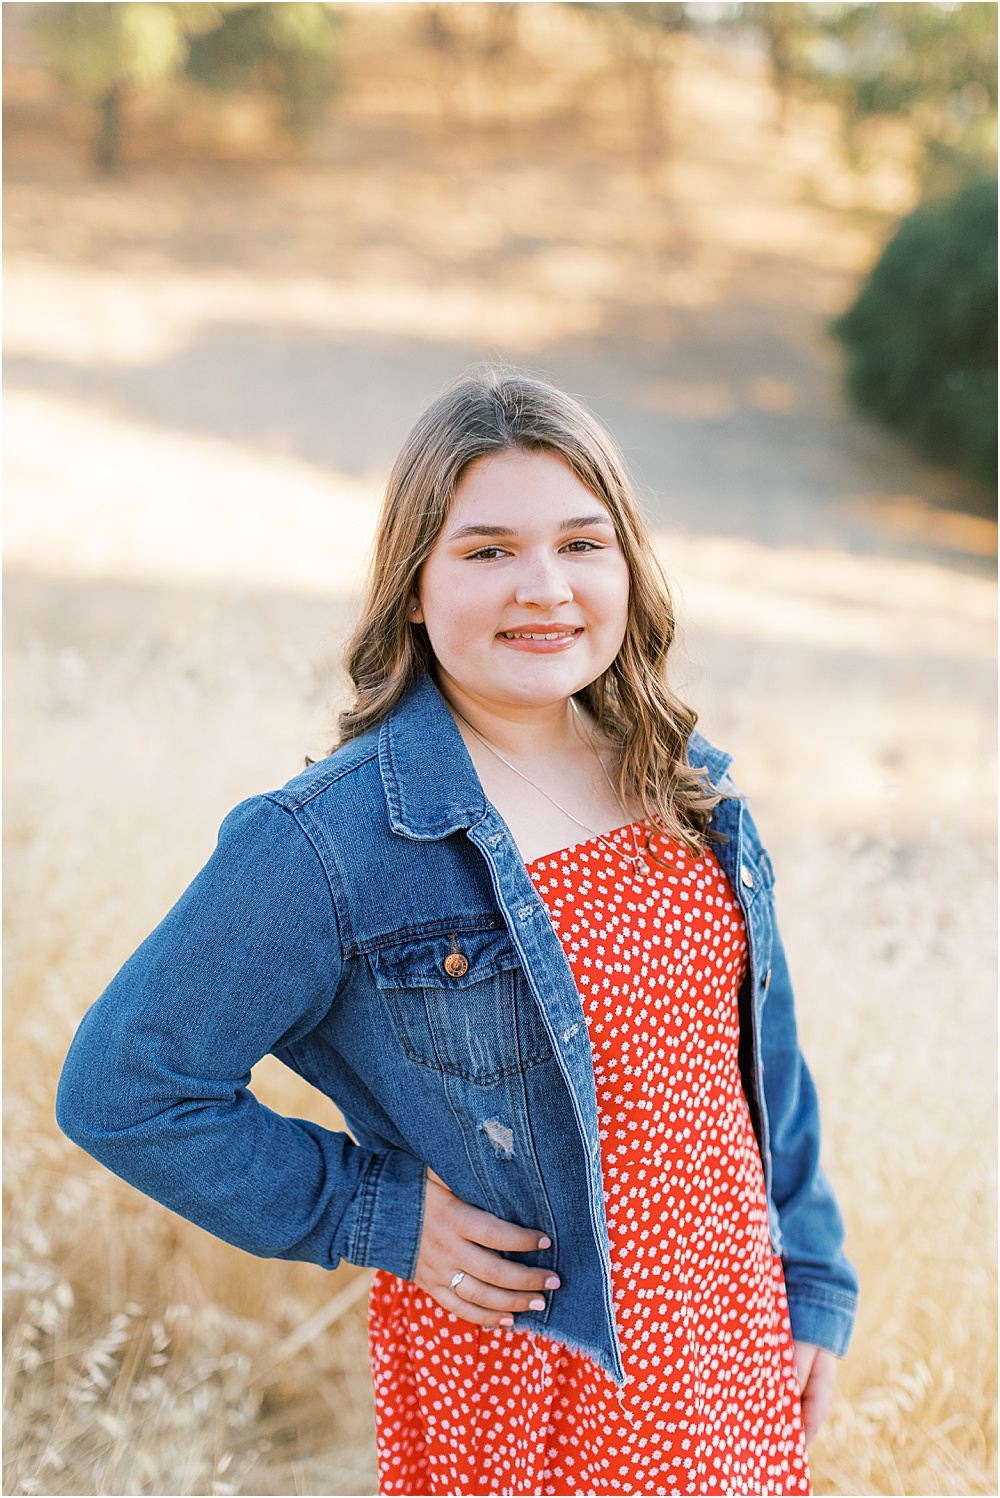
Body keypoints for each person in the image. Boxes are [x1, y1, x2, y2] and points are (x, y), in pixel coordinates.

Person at [57, 368, 858, 1496]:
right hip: (528, 1370)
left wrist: (811, 1277)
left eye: (582, 543)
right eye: (487, 551)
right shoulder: (332, 840)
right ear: (417, 590)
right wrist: (369, 1212)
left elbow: (751, 1061)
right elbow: (125, 1084)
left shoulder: (685, 787)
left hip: (725, 1344)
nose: (545, 587)